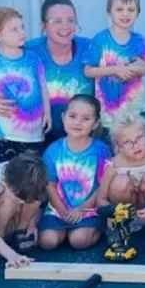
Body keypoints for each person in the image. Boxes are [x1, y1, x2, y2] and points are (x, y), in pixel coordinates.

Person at [0, 7, 50, 166]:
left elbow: (43, 87)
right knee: (3, 179)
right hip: (1, 136)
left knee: (29, 179)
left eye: (22, 27)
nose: (22, 33)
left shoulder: (33, 59)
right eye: (14, 29)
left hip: (32, 135)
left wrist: (47, 113)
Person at [38, 95, 110, 251]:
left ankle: (99, 228)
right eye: (72, 116)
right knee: (47, 242)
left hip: (88, 209)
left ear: (95, 123)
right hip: (59, 209)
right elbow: (50, 185)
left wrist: (82, 209)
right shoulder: (53, 150)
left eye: (86, 119)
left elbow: (104, 185)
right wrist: (63, 211)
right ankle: (62, 230)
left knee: (79, 241)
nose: (78, 122)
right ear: (63, 118)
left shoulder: (101, 150)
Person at [85, 0, 145, 129]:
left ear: (138, 13)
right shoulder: (100, 40)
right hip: (108, 112)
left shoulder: (140, 41)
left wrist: (139, 68)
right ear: (109, 12)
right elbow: (88, 71)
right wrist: (114, 70)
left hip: (136, 110)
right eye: (119, 9)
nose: (125, 14)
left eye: (131, 10)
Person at [97, 112, 145, 227]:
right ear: (119, 147)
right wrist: (115, 211)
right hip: (125, 212)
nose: (135, 145)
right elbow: (101, 200)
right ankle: (123, 224)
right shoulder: (114, 164)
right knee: (120, 182)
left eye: (139, 138)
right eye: (127, 142)